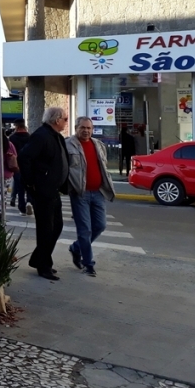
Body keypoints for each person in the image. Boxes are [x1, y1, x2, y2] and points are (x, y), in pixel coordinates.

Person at [18, 107, 70, 281]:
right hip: (43, 191)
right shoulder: (41, 136)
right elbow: (24, 158)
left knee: (57, 226)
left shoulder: (56, 136)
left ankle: (39, 258)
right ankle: (43, 266)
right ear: (56, 120)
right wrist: (32, 183)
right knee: (46, 229)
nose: (66, 122)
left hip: (53, 190)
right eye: (65, 119)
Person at [66, 117, 116, 277]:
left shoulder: (98, 145)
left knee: (100, 225)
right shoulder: (68, 145)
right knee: (85, 230)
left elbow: (103, 166)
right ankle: (88, 264)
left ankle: (76, 248)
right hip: (80, 193)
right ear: (76, 128)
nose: (86, 130)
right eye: (83, 127)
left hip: (98, 192)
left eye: (89, 128)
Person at [9, 119, 32, 215]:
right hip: (29, 165)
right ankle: (29, 202)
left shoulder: (12, 138)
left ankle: (22, 208)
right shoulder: (30, 137)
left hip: (17, 165)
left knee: (20, 187)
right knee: (29, 186)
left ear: (17, 126)